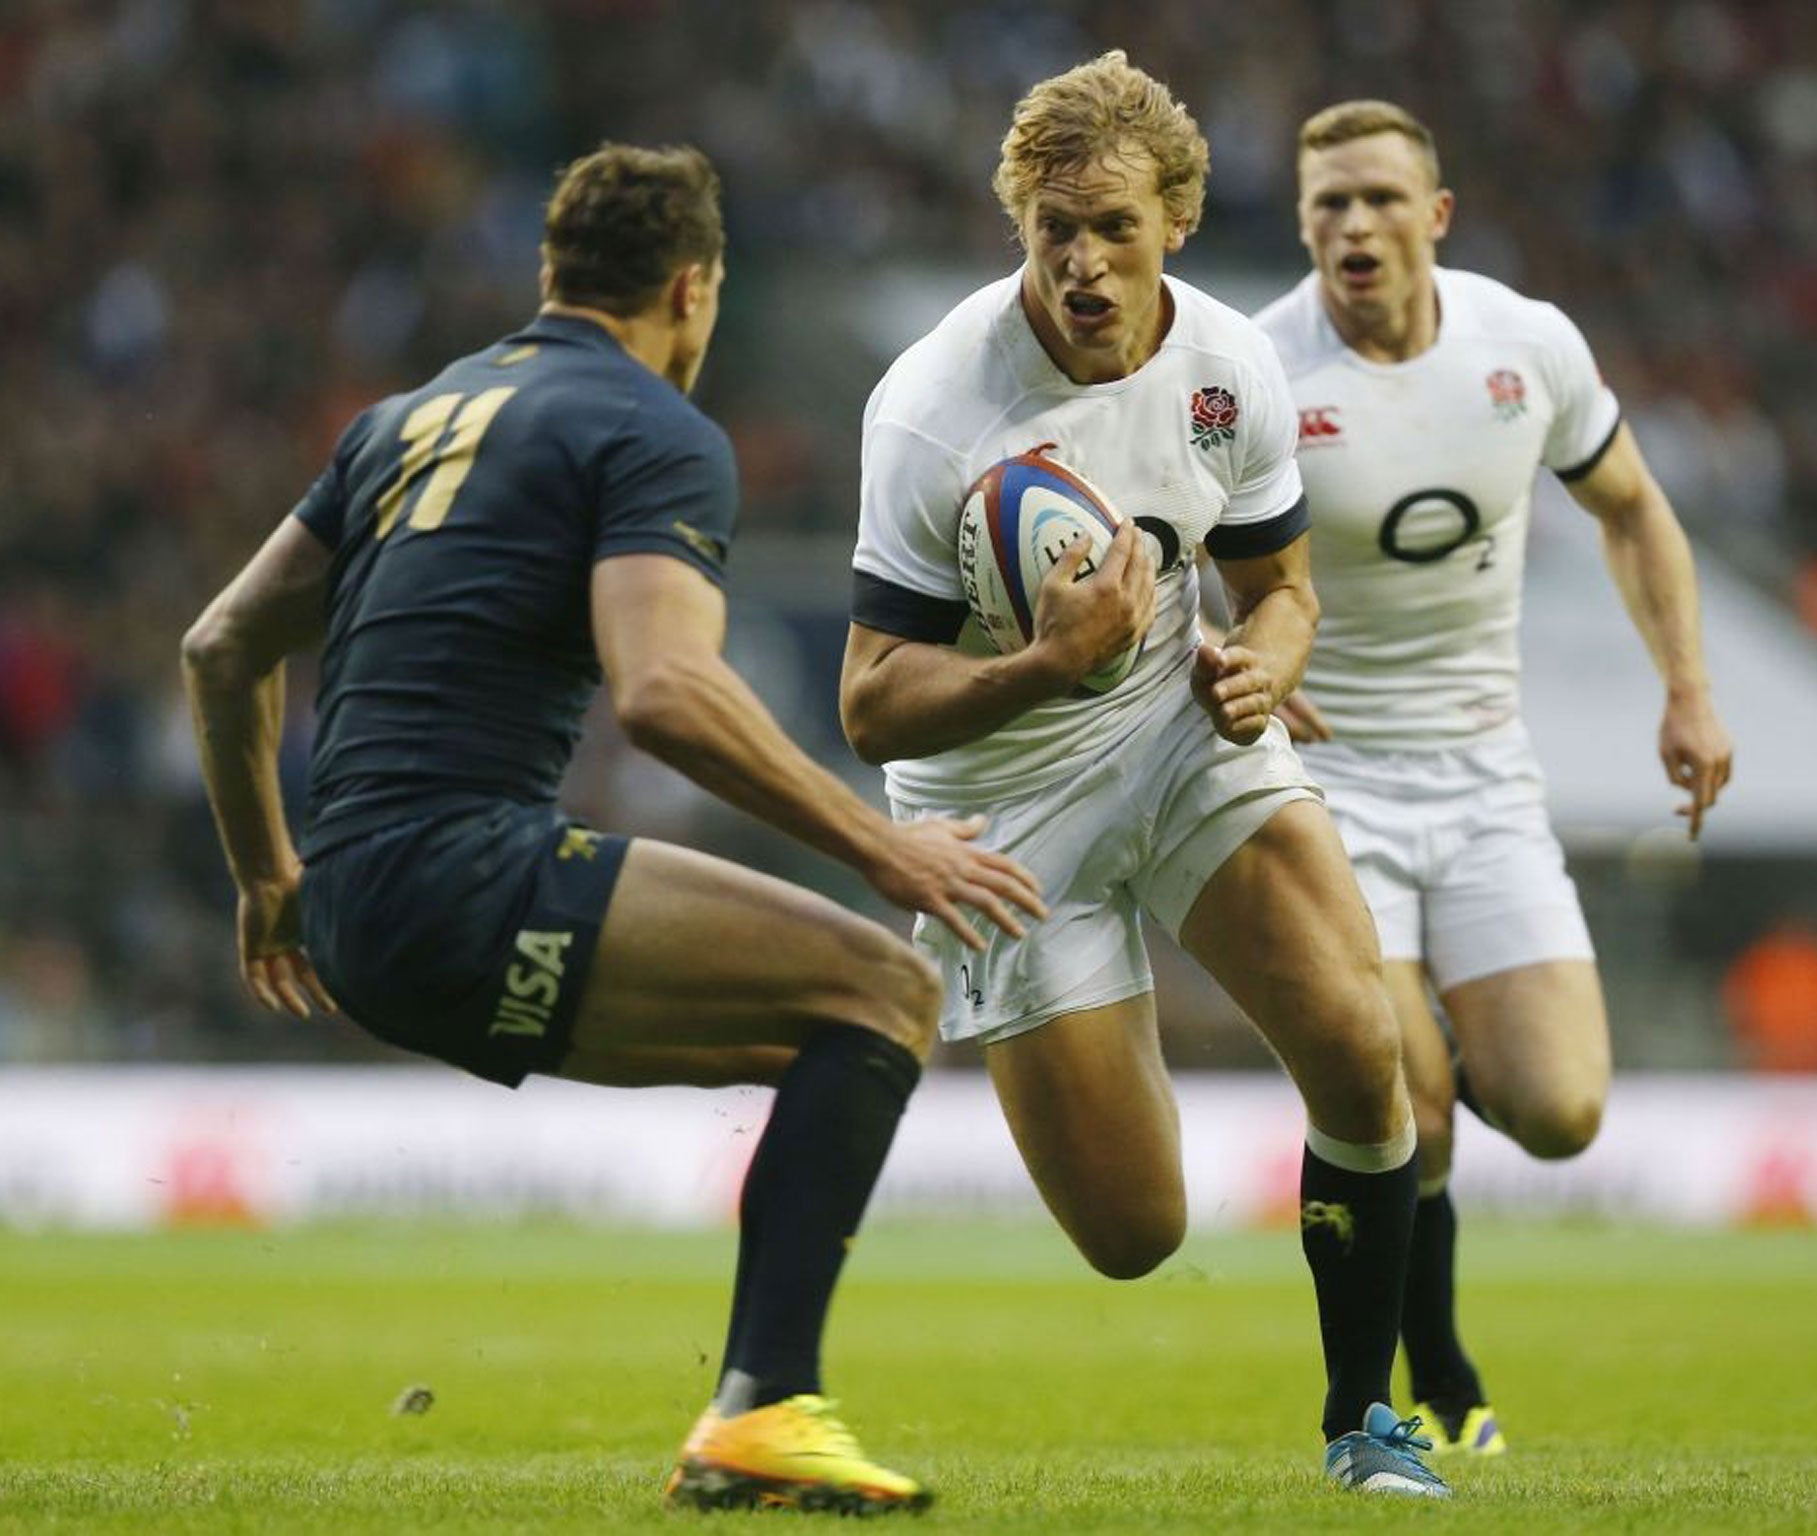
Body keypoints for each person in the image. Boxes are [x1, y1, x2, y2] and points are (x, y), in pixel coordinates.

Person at [179, 142, 1047, 1516]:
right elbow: (665, 692)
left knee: (837, 1030)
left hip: (352, 905)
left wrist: (266, 875)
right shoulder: (653, 429)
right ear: (694, 289)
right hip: (459, 872)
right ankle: (764, 1409)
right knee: (885, 982)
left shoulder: (408, 417)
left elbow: (223, 647)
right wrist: (886, 848)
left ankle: (762, 1409)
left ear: (551, 273)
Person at [838, 53, 1447, 1499]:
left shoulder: (1230, 364)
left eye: (1112, 224)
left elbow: (1284, 587)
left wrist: (1270, 663)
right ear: (1019, 231)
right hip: (999, 812)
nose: (1082, 261)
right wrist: (1047, 664)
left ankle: (1366, 1422)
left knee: (1367, 1050)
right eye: (1053, 228)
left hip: (1183, 734)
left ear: (1176, 216)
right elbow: (870, 705)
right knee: (1134, 1233)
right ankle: (1087, 1008)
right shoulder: (933, 409)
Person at [1255, 100, 1736, 1454]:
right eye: (1328, 205)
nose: (1354, 226)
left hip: (1483, 780)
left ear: (1437, 215)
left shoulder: (1527, 345)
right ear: (1302, 224)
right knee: (1396, 1096)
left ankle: (1432, 1090)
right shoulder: (1257, 371)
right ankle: (1439, 1384)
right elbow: (1170, 547)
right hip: (1324, 787)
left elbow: (1633, 504)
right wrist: (1239, 649)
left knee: (1564, 1107)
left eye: (1380, 200)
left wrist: (1688, 686)